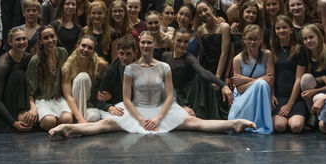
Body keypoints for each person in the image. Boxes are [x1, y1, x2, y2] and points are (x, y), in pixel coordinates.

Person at [48, 32, 256, 138]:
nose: (146, 45)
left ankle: (234, 123)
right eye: (143, 43)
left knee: (195, 123)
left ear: (154, 45)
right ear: (139, 46)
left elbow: (169, 96)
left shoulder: (164, 67)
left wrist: (157, 118)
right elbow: (127, 99)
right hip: (137, 110)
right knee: (105, 125)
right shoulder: (130, 69)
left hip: (160, 109)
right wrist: (140, 119)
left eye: (149, 43)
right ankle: (69, 127)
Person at [163, 27, 233, 120]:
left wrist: (223, 85)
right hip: (173, 94)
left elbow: (203, 72)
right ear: (172, 40)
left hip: (189, 97)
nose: (182, 44)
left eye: (186, 42)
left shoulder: (189, 58)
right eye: (179, 41)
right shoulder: (165, 56)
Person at [0, 27, 35, 131]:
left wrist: (33, 108)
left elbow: (31, 86)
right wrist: (13, 123)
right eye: (18, 39)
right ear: (10, 42)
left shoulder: (28, 58)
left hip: (16, 98)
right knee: (18, 74)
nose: (22, 42)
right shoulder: (3, 64)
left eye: (24, 39)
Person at [227, 24, 274, 134]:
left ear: (260, 39)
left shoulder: (267, 55)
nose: (252, 42)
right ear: (244, 40)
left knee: (262, 85)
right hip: (243, 96)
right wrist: (259, 79)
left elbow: (270, 80)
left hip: (263, 93)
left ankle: (261, 123)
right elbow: (239, 90)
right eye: (249, 39)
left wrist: (244, 79)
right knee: (261, 83)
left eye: (255, 39)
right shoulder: (237, 59)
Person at [26, 26, 72, 131]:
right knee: (49, 121)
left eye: (52, 36)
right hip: (42, 100)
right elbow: (30, 91)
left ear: (56, 37)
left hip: (58, 98)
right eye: (46, 38)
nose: (50, 40)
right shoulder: (35, 61)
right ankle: (50, 121)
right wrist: (33, 108)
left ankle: (57, 123)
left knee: (67, 119)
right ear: (41, 41)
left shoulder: (62, 53)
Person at [270, 16, 308, 133]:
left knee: (296, 127)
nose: (281, 30)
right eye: (278, 28)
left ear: (291, 30)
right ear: (275, 31)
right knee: (279, 126)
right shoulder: (272, 50)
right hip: (279, 97)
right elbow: (271, 76)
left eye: (284, 27)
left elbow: (298, 79)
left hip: (295, 98)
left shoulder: (299, 49)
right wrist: (271, 95)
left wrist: (290, 104)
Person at [60, 34, 109, 123]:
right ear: (77, 46)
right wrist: (80, 118)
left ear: (94, 52)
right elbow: (68, 96)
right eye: (83, 46)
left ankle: (80, 120)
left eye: (90, 48)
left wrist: (106, 94)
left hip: (87, 104)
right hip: (71, 104)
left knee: (94, 117)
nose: (86, 50)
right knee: (83, 77)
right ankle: (80, 120)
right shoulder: (67, 67)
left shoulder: (99, 65)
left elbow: (106, 84)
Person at [299, 23, 326, 127]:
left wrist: (314, 92)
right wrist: (323, 77)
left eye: (311, 37)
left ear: (318, 37)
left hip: (325, 93)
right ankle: (312, 115)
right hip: (312, 89)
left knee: (317, 98)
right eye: (305, 39)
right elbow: (307, 79)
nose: (308, 41)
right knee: (305, 78)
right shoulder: (306, 54)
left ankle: (322, 118)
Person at [97, 36, 137, 114]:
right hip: (119, 106)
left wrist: (113, 97)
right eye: (121, 54)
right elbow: (100, 100)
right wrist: (109, 107)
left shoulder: (141, 67)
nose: (124, 58)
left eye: (128, 54)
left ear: (135, 53)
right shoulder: (111, 70)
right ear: (117, 53)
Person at [195, 0, 232, 80]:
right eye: (200, 12)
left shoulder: (224, 27)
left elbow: (224, 54)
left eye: (205, 10)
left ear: (211, 8)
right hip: (205, 69)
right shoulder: (200, 30)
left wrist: (217, 77)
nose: (203, 14)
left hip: (220, 68)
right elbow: (200, 54)